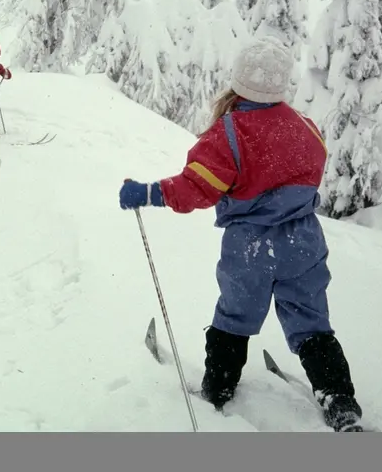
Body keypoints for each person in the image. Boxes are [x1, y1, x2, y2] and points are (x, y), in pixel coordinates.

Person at [117, 39, 364, 432]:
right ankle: (339, 398)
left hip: (250, 245)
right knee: (311, 320)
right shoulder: (306, 127)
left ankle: (218, 388)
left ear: (238, 81)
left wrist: (146, 192)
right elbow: (312, 166)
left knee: (235, 317)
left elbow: (195, 188)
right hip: (304, 240)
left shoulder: (229, 134)